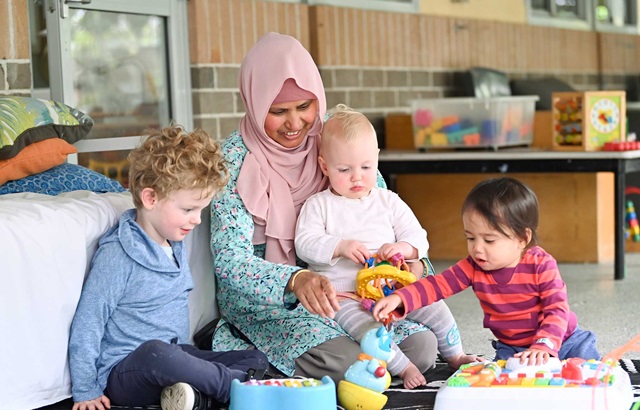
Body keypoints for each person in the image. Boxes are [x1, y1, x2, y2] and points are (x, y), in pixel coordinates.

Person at [209, 32, 456, 386]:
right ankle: (243, 347)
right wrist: (294, 279)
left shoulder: (335, 138)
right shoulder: (231, 162)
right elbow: (229, 261)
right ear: (254, 101)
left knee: (422, 346)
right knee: (350, 362)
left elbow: (384, 211)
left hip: (358, 292)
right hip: (271, 302)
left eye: (304, 107)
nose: (295, 124)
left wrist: (412, 264)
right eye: (278, 112)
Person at [68, 125, 269, 410]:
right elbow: (89, 321)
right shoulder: (118, 254)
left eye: (200, 210)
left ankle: (199, 397)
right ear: (150, 199)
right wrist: (86, 389)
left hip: (176, 360)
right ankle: (235, 388)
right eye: (188, 209)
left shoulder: (174, 243)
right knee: (158, 353)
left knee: (255, 357)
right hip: (127, 372)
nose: (197, 220)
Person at [295, 105, 481, 388]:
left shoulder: (388, 201)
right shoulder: (319, 205)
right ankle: (403, 368)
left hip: (394, 290)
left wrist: (402, 249)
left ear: (377, 160)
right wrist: (340, 246)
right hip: (345, 297)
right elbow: (304, 244)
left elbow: (418, 237)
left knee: (435, 305)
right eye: (344, 170)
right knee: (367, 331)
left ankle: (455, 355)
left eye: (366, 167)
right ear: (324, 166)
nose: (357, 177)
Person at [372, 177, 601, 366]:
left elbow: (556, 309)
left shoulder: (541, 264)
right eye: (470, 238)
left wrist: (545, 345)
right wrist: (400, 297)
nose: (477, 248)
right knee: (501, 385)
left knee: (588, 371)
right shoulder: (473, 266)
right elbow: (436, 286)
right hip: (513, 347)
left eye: (489, 240)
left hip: (563, 339)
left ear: (523, 238)